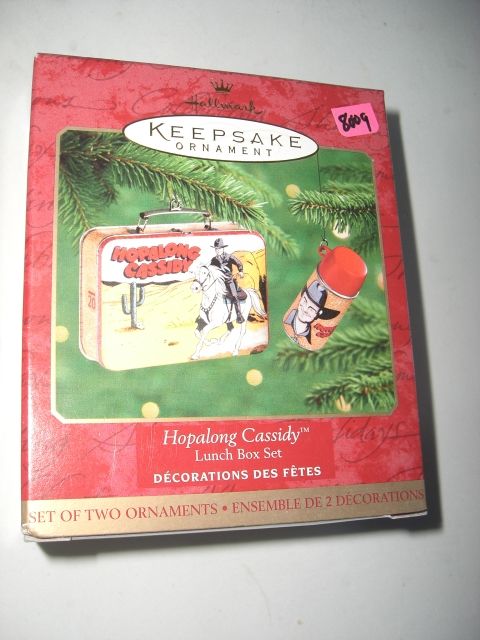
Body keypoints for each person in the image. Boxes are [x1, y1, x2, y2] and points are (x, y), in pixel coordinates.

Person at [284, 279, 338, 344]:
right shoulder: (288, 319)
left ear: (317, 314)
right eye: (304, 301)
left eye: (311, 309)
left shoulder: (311, 337)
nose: (305, 309)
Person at [210, 238, 245, 323]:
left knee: (234, 295)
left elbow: (238, 263)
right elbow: (210, 269)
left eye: (219, 248)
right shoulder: (214, 260)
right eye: (216, 249)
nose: (217, 250)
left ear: (223, 248)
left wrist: (240, 271)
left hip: (228, 281)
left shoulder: (229, 257)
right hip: (218, 281)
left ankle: (239, 315)